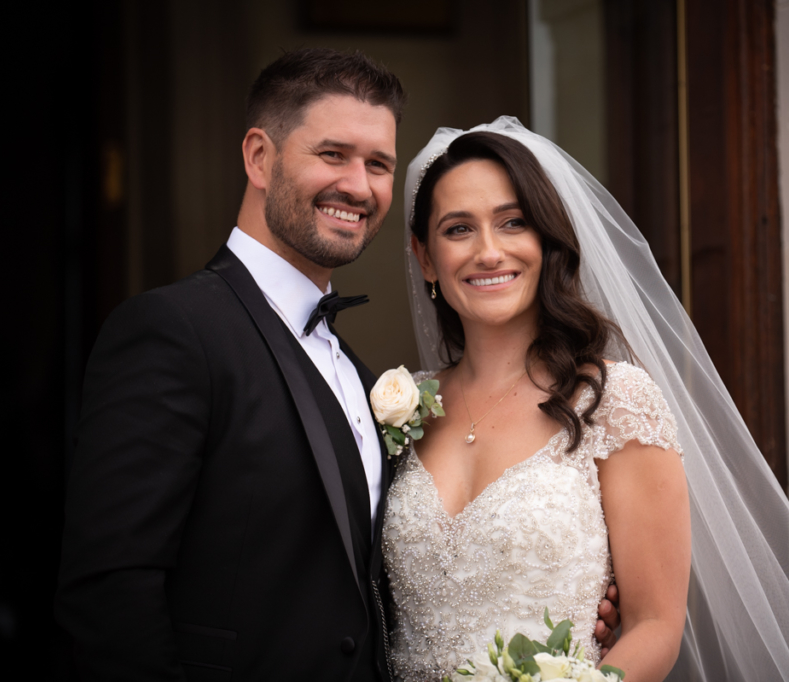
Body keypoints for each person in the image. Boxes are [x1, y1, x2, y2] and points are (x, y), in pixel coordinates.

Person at [55, 50, 619, 681]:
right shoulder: (172, 330)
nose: (359, 185)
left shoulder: (367, 378)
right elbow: (109, 594)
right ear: (259, 158)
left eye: (378, 163)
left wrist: (560, 599)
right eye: (333, 154)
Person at [385, 118, 789, 681]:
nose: (488, 250)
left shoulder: (613, 400)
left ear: (547, 239)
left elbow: (655, 627)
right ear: (425, 256)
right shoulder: (401, 407)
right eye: (458, 229)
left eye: (514, 222)